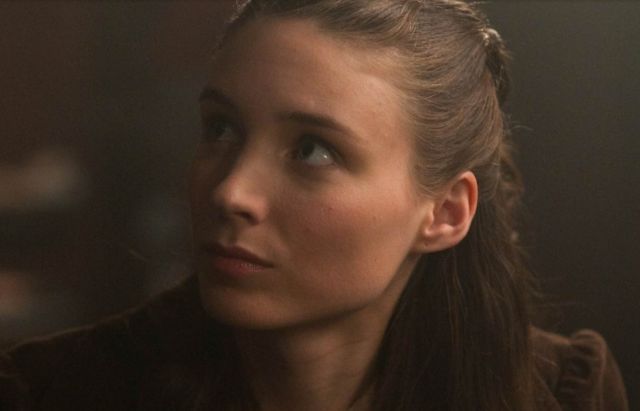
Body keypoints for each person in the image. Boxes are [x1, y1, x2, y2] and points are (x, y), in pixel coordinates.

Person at [0, 0, 629, 410]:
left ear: (444, 213)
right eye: (221, 128)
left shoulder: (560, 395)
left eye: (313, 150)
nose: (230, 192)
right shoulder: (51, 393)